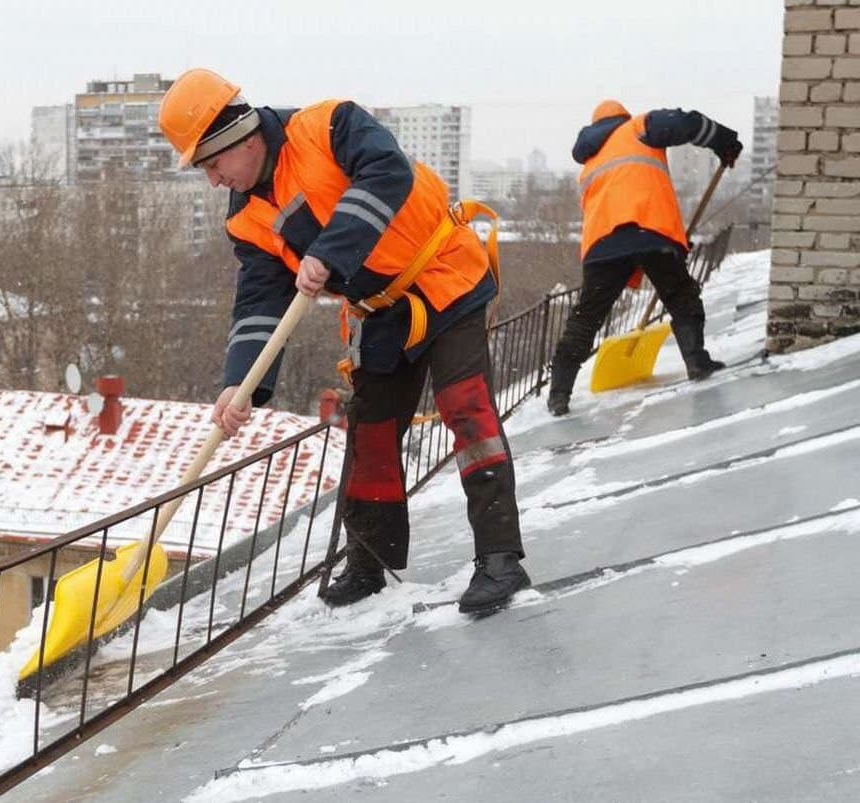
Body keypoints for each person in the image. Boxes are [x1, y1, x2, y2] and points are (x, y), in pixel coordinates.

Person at [157, 68, 528, 614]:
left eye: (212, 164)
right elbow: (260, 299)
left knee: (466, 409)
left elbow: (386, 173)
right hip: (380, 312)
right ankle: (367, 562)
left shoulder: (328, 125)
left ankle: (500, 560)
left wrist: (330, 250)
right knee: (371, 434)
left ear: (240, 138)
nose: (213, 180)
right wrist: (240, 384)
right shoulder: (245, 220)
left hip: (446, 277)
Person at [547, 100, 743, 417]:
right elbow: (687, 122)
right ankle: (696, 361)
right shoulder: (637, 127)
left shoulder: (589, 164)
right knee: (681, 294)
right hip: (649, 230)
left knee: (586, 317)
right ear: (621, 118)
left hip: (603, 247)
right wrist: (724, 141)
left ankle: (558, 395)